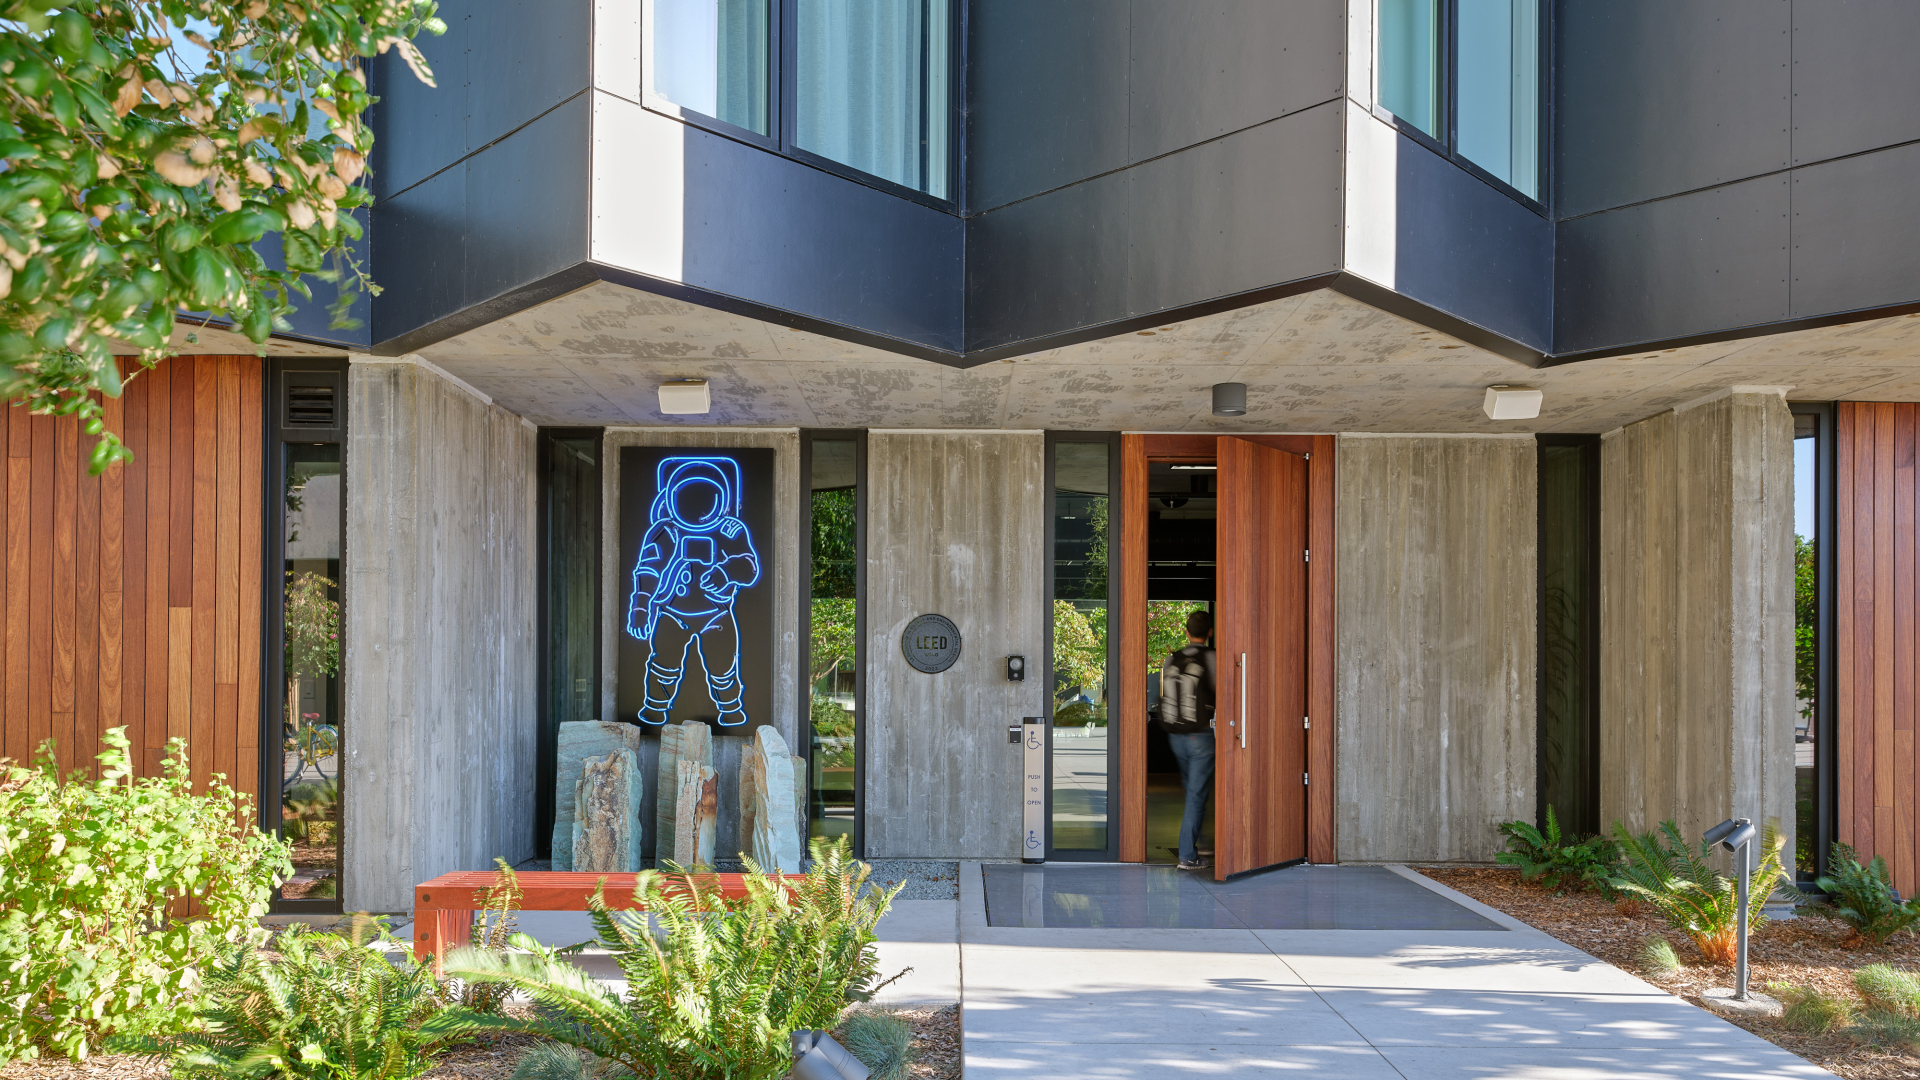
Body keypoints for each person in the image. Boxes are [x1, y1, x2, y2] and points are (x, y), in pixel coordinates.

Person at [1157, 609, 1216, 870]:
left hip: (1175, 736)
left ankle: (1200, 843)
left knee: (1193, 792)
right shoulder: (1211, 658)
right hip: (1201, 736)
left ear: (1186, 632)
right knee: (1196, 795)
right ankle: (1187, 856)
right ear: (1210, 633)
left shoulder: (1172, 659)